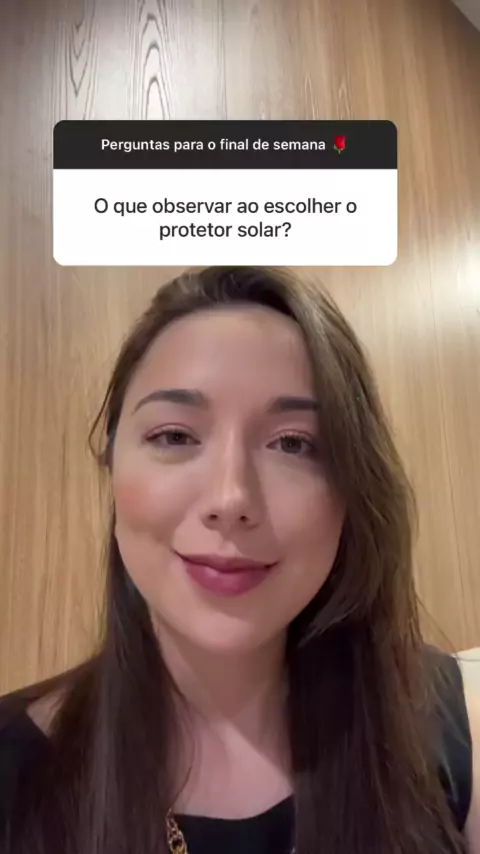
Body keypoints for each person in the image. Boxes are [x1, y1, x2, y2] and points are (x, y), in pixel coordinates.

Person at [0, 265, 478, 854]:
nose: (231, 499)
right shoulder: (14, 771)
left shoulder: (458, 720)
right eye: (175, 436)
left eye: (294, 443)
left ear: (352, 489)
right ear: (113, 465)